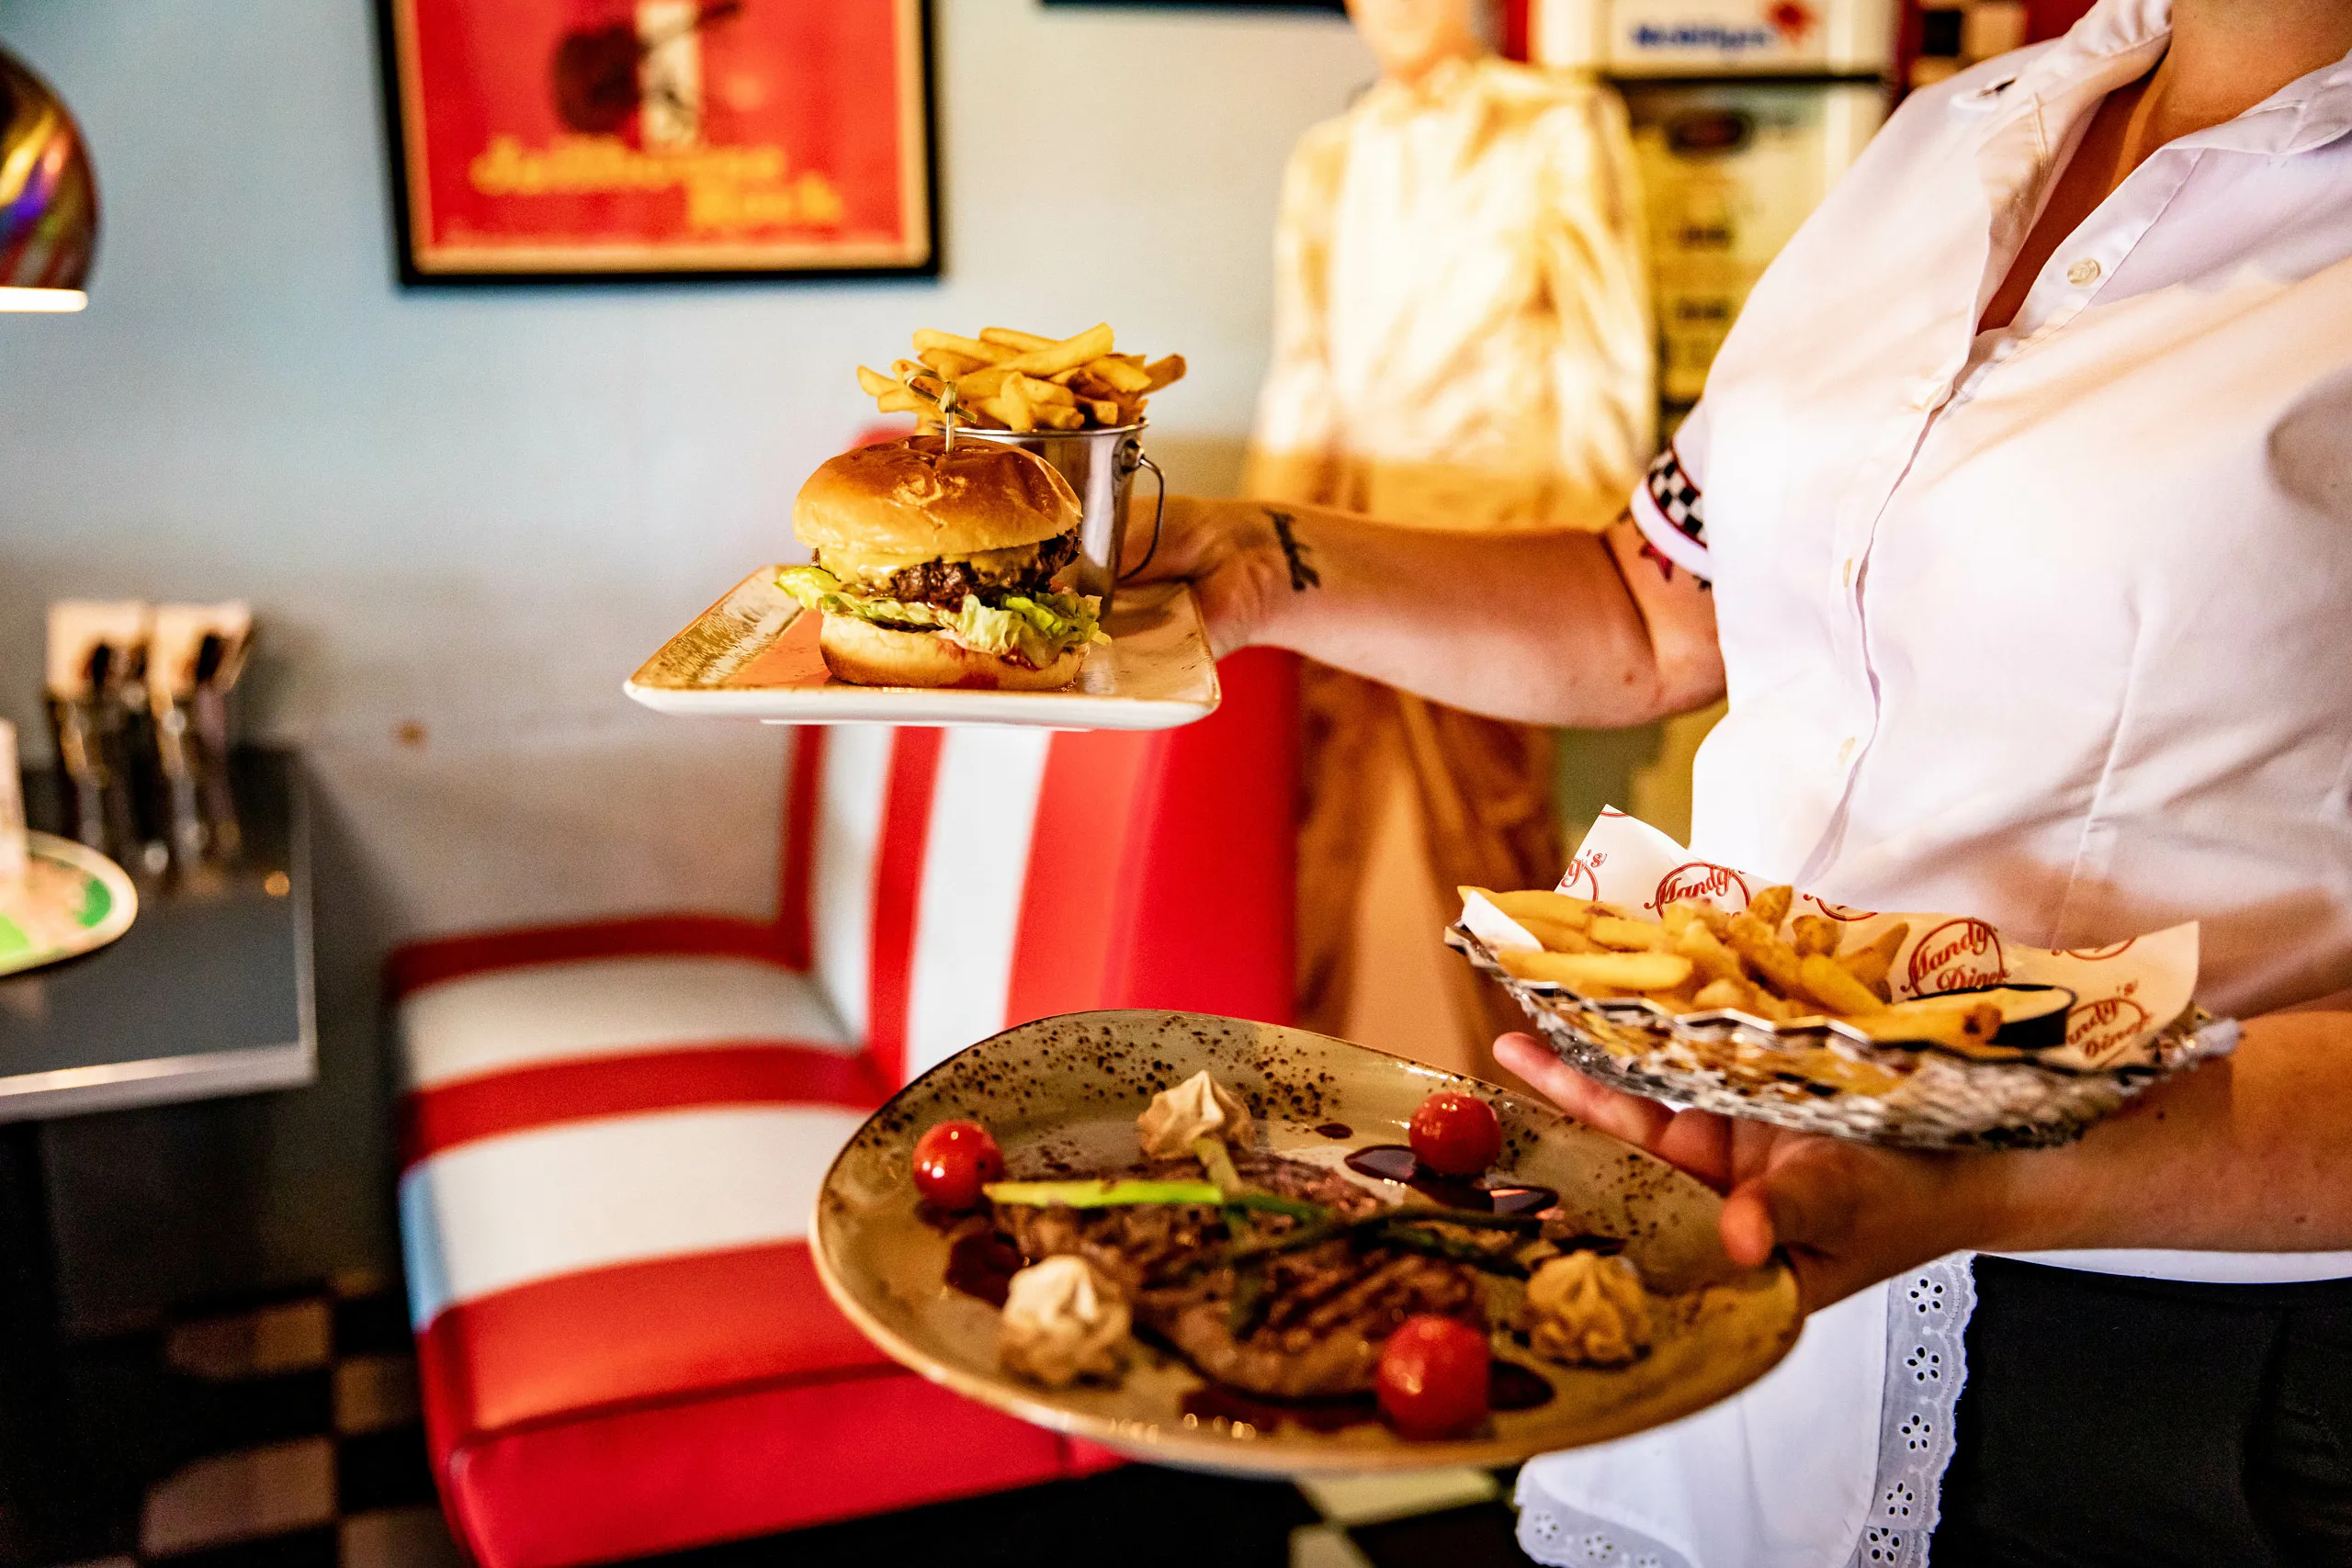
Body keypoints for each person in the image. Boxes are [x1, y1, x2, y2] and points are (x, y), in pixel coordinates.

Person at [1141, 0, 2352, 1560]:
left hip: (2167, 1377)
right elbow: (1656, 607)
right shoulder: (1955, 137)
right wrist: (1265, 561)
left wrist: (1994, 1178)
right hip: (1742, 1252)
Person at [1246, 0, 1651, 1076]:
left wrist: (1604, 564)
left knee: (1495, 847)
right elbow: (1305, 364)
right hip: (1340, 548)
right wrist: (1263, 550)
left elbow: (1602, 348)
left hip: (1492, 548)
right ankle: (1307, 1096)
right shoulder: (1328, 156)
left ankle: (1530, 1105)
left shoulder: (1558, 123)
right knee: (1318, 847)